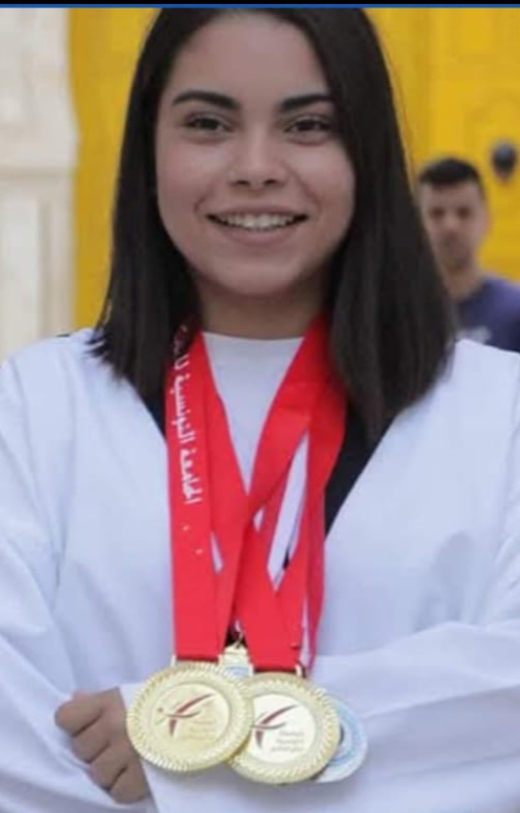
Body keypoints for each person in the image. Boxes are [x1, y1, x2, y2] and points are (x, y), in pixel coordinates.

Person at [1, 8, 520, 813]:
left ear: (367, 152)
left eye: (308, 126)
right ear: (147, 151)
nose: (255, 168)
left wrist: (183, 745)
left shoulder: (499, 411)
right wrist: (355, 747)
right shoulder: (35, 407)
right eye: (208, 124)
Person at [418, 155, 520, 351]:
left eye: (464, 213)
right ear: (415, 223)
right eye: (436, 213)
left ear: (487, 219)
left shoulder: (515, 314)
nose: (451, 226)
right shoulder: (395, 313)